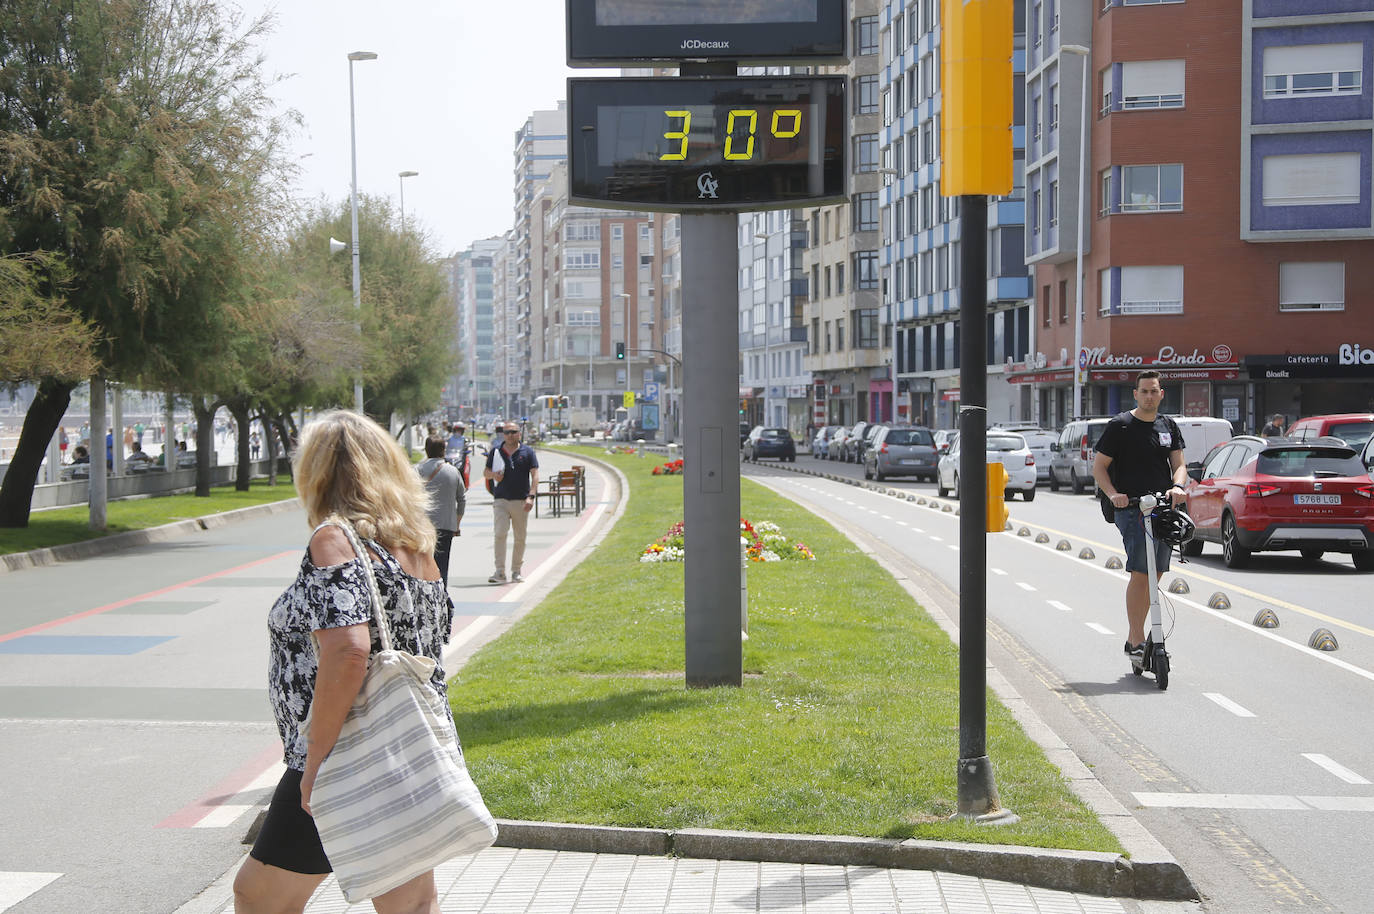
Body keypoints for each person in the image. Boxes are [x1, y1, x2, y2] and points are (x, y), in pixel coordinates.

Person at [233, 410, 454, 914]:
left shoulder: (335, 541)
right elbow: (433, 641)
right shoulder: (416, 546)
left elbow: (349, 649)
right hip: (408, 747)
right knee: (411, 902)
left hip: (343, 754)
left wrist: (313, 763)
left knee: (259, 896)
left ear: (317, 472)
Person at [1092, 370, 1188, 660]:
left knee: (1156, 571)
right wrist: (1113, 495)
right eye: (1144, 391)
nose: (1149, 396)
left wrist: (1178, 487)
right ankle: (1136, 639)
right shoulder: (1120, 426)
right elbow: (1099, 468)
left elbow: (1180, 464)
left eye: (1154, 391)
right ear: (1135, 394)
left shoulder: (1167, 426)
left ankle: (1143, 634)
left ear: (1161, 394)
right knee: (1141, 570)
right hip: (1130, 508)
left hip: (1161, 508)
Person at [483, 421, 539, 584]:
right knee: (500, 533)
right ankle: (500, 571)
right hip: (501, 499)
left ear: (519, 434)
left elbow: (535, 475)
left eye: (513, 432)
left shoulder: (527, 452)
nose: (509, 435)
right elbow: (486, 473)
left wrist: (531, 496)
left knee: (520, 537)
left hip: (521, 500)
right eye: (506, 432)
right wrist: (494, 475)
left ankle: (516, 571)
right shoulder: (496, 451)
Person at [416, 434, 465, 588]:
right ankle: (442, 600)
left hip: (421, 527)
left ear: (426, 450)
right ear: (444, 450)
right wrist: (456, 524)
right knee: (442, 566)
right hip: (446, 526)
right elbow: (462, 499)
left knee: (421, 565)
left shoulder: (415, 471)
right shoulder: (453, 472)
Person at [446, 422, 469, 488]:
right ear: (454, 430)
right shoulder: (449, 438)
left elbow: (468, 446)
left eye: (460, 429)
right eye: (457, 429)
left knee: (465, 467)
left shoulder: (464, 439)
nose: (458, 431)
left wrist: (468, 448)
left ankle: (464, 484)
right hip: (449, 458)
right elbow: (446, 446)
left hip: (460, 459)